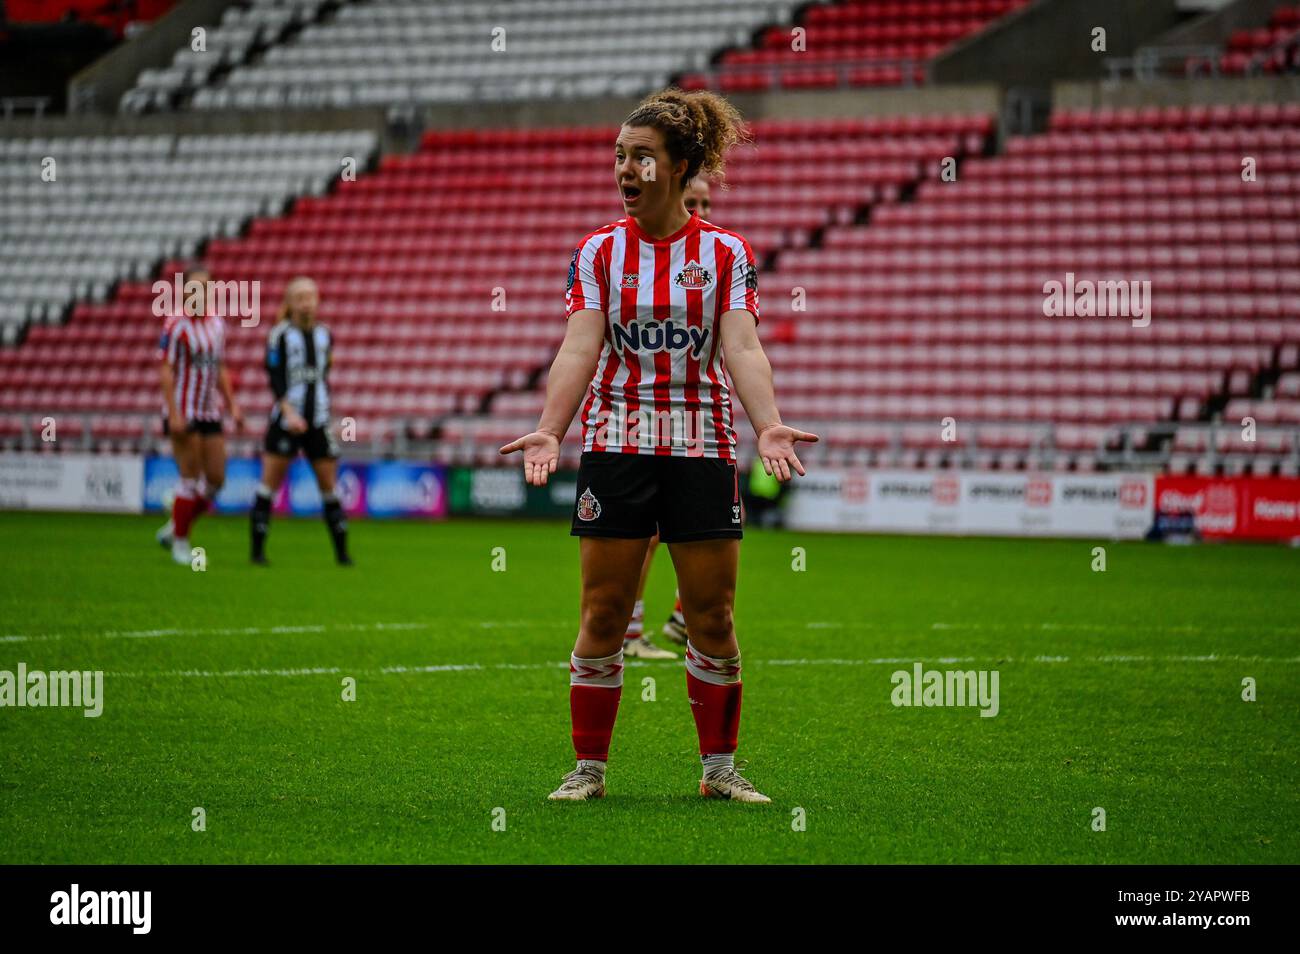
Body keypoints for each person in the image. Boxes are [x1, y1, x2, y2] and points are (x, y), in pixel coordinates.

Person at [500, 89, 817, 802]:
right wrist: (552, 426)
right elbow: (578, 347)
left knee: (713, 616)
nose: (625, 168)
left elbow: (742, 344)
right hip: (617, 447)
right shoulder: (599, 252)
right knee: (605, 614)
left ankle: (719, 773)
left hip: (702, 450)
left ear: (678, 166)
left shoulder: (726, 252)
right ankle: (588, 770)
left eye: (641, 156)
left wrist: (766, 420)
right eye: (619, 155)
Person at [623, 175, 713, 659]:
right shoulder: (625, 256)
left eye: (707, 203)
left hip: (696, 423)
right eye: (692, 200)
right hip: (638, 422)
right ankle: (632, 632)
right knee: (646, 536)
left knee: (688, 530)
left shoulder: (719, 258)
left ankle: (675, 618)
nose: (699, 209)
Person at [249, 276, 351, 566]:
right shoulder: (279, 335)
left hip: (317, 421)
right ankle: (257, 552)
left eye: (311, 296)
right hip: (286, 421)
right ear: (290, 303)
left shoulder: (325, 335)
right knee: (269, 484)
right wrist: (289, 412)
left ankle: (342, 554)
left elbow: (324, 376)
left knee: (329, 486)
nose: (307, 302)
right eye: (301, 297)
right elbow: (275, 376)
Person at [156, 263, 244, 564]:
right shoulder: (175, 325)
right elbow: (166, 371)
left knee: (216, 479)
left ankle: (175, 525)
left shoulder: (216, 324)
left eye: (206, 287)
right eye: (195, 287)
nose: (201, 293)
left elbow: (219, 366)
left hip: (209, 410)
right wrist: (174, 413)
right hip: (184, 409)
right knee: (190, 477)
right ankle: (181, 544)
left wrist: (231, 404)